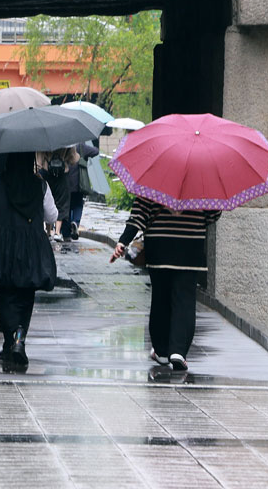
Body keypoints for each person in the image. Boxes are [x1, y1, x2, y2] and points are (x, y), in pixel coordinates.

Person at [111, 196, 221, 372]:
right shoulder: (202, 184)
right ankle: (178, 351)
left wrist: (123, 241)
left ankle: (161, 351)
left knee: (160, 299)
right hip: (189, 245)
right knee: (184, 300)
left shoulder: (153, 179)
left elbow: (139, 215)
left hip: (159, 245)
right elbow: (212, 215)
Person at [0, 152, 58, 367]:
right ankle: (19, 338)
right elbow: (52, 216)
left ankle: (8, 343)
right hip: (30, 246)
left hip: (2, 246)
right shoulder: (41, 185)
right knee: (25, 292)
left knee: (5, 292)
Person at [38, 146, 79, 241]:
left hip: (46, 170)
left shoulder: (44, 136)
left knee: (47, 200)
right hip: (62, 172)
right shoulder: (67, 138)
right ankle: (57, 232)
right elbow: (73, 159)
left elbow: (39, 158)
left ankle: (48, 231)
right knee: (61, 202)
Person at [64, 141, 100, 240]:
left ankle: (66, 233)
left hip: (64, 181)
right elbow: (95, 152)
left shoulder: (62, 144)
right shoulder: (81, 147)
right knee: (78, 204)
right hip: (78, 182)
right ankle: (75, 222)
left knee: (65, 207)